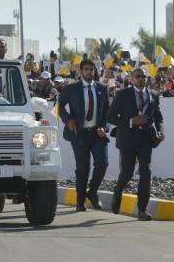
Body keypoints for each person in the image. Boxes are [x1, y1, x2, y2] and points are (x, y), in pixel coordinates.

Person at [107, 68, 164, 221]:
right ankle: (118, 191)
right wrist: (132, 121)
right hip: (128, 139)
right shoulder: (122, 94)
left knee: (146, 171)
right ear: (131, 78)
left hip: (146, 139)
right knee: (127, 172)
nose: (141, 79)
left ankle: (142, 211)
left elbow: (158, 117)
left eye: (144, 76)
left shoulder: (153, 95)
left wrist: (160, 131)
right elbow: (111, 117)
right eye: (138, 76)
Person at [57, 59, 109, 212]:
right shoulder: (71, 88)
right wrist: (68, 121)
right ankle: (80, 201)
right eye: (86, 69)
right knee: (83, 168)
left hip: (96, 133)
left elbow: (107, 110)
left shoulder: (102, 88)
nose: (89, 72)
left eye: (91, 69)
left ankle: (92, 193)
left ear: (95, 71)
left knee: (102, 163)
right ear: (80, 71)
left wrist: (104, 128)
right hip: (79, 134)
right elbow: (59, 106)